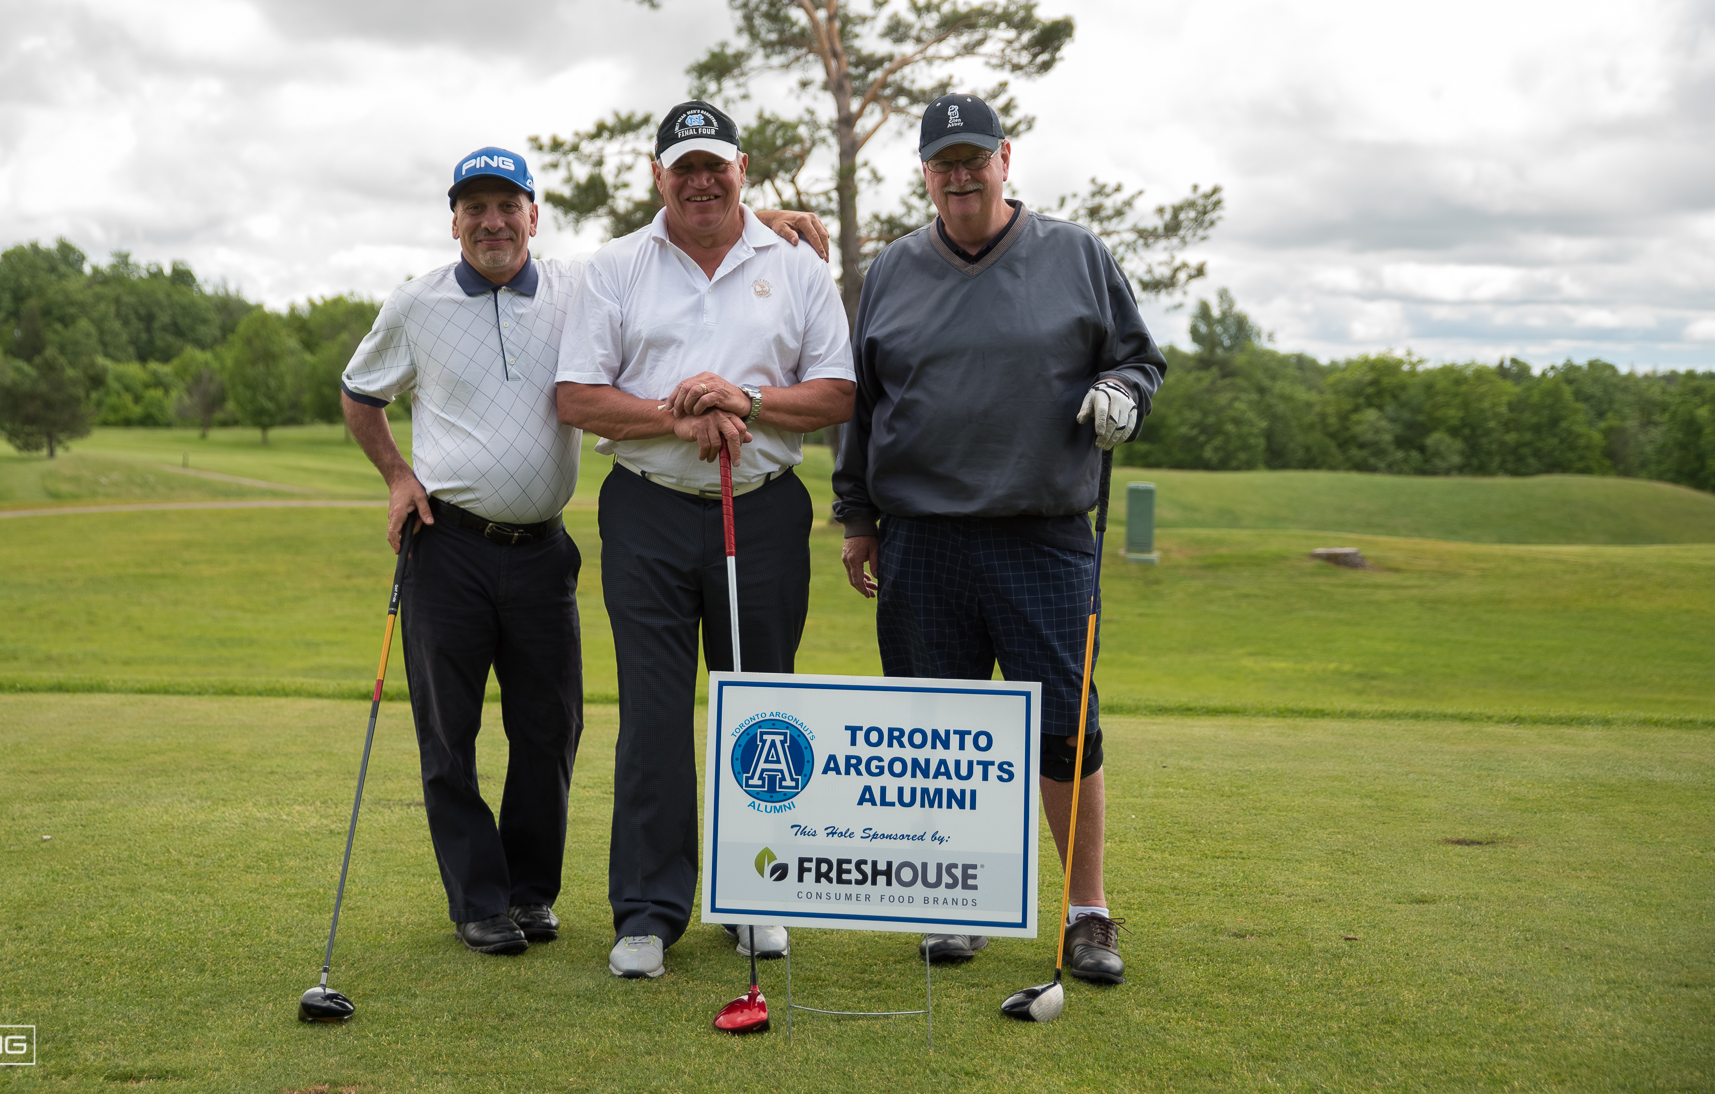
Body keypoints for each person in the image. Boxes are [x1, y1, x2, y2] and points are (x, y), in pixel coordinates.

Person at [342, 143, 829, 958]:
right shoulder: (416, 302)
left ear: (533, 216)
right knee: (449, 734)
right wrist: (397, 476)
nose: (493, 223)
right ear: (454, 221)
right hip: (447, 544)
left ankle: (531, 892)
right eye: (475, 209)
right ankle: (479, 898)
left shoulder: (578, 284)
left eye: (508, 207)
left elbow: (672, 239)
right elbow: (360, 392)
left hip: (543, 547)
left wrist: (755, 221)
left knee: (551, 728)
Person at [832, 93, 1166, 985]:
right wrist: (857, 515)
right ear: (925, 173)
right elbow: (862, 404)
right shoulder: (892, 269)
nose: (960, 175)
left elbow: (1139, 357)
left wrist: (1124, 393)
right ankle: (955, 900)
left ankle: (1087, 913)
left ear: (1005, 158)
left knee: (1065, 727)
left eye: (974, 158)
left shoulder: (1077, 254)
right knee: (937, 735)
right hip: (921, 538)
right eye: (943, 162)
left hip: (1043, 533)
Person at [554, 101, 855, 980]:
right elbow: (577, 396)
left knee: (761, 708)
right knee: (653, 713)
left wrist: (747, 401)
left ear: (741, 168)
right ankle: (648, 911)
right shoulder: (615, 266)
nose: (699, 182)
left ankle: (758, 893)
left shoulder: (796, 264)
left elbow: (837, 390)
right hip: (646, 509)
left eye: (713, 165)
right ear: (658, 176)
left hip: (761, 510)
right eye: (682, 167)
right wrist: (675, 415)